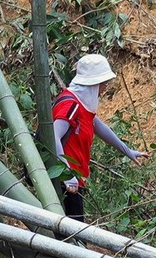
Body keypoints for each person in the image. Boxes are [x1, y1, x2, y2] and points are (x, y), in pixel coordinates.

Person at [51, 54, 148, 221]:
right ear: (93, 84)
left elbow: (99, 127)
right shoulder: (71, 105)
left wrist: (127, 151)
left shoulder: (81, 105)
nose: (104, 89)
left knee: (70, 234)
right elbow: (54, 137)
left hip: (73, 181)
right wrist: (68, 176)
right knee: (72, 236)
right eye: (103, 84)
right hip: (65, 183)